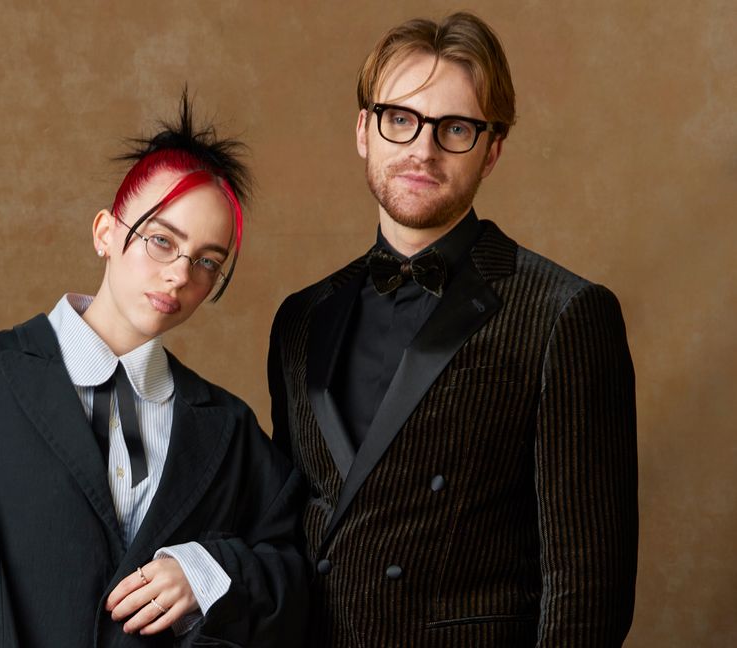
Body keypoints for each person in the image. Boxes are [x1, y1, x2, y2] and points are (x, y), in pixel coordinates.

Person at [0, 94, 308, 647]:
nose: (179, 276)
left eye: (208, 261)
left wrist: (206, 573)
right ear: (105, 232)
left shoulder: (228, 430)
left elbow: (294, 574)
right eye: (161, 241)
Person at [268, 12, 637, 647]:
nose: (422, 149)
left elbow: (586, 590)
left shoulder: (564, 314)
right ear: (364, 129)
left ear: (492, 150)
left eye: (456, 128)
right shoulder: (300, 318)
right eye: (400, 119)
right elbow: (282, 528)